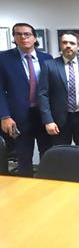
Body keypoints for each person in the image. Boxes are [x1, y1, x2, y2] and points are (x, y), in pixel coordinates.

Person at [0, 23, 52, 176]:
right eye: (18, 34)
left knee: (48, 154)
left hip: (44, 116)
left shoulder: (46, 58)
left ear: (35, 38)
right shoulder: (3, 59)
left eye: (27, 34)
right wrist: (4, 116)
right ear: (14, 38)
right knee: (23, 157)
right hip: (18, 117)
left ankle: (47, 187)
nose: (23, 37)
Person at [37, 31, 79, 147]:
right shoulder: (49, 65)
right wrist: (48, 120)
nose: (68, 45)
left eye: (72, 43)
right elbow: (43, 94)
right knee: (60, 153)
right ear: (60, 45)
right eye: (64, 42)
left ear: (78, 46)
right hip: (58, 119)